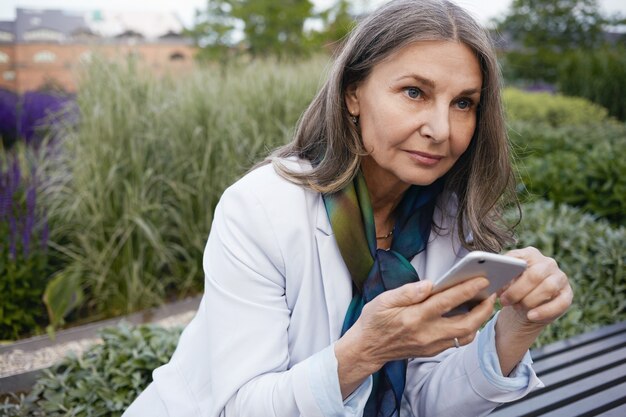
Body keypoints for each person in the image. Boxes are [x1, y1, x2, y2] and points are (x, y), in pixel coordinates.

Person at [124, 0, 573, 416]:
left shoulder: (450, 221)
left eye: (463, 103)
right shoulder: (259, 209)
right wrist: (367, 350)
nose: (441, 129)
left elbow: (425, 401)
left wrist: (516, 327)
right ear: (352, 94)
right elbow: (244, 407)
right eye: (415, 92)